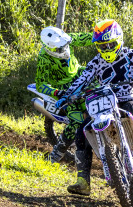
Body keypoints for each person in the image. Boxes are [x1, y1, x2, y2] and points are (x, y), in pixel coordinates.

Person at [57, 19, 133, 197]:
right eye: (102, 46)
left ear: (119, 40)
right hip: (104, 102)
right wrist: (67, 95)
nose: (106, 50)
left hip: (127, 97)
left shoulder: (131, 55)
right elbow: (81, 80)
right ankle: (83, 181)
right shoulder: (96, 62)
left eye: (109, 45)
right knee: (82, 130)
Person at [35, 26, 94, 163]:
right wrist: (56, 92)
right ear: (50, 48)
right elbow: (40, 84)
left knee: (102, 81)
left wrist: (102, 36)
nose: (65, 49)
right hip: (63, 87)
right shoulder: (44, 58)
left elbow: (86, 38)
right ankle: (57, 153)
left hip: (80, 74)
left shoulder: (67, 39)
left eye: (65, 45)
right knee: (76, 120)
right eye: (60, 48)